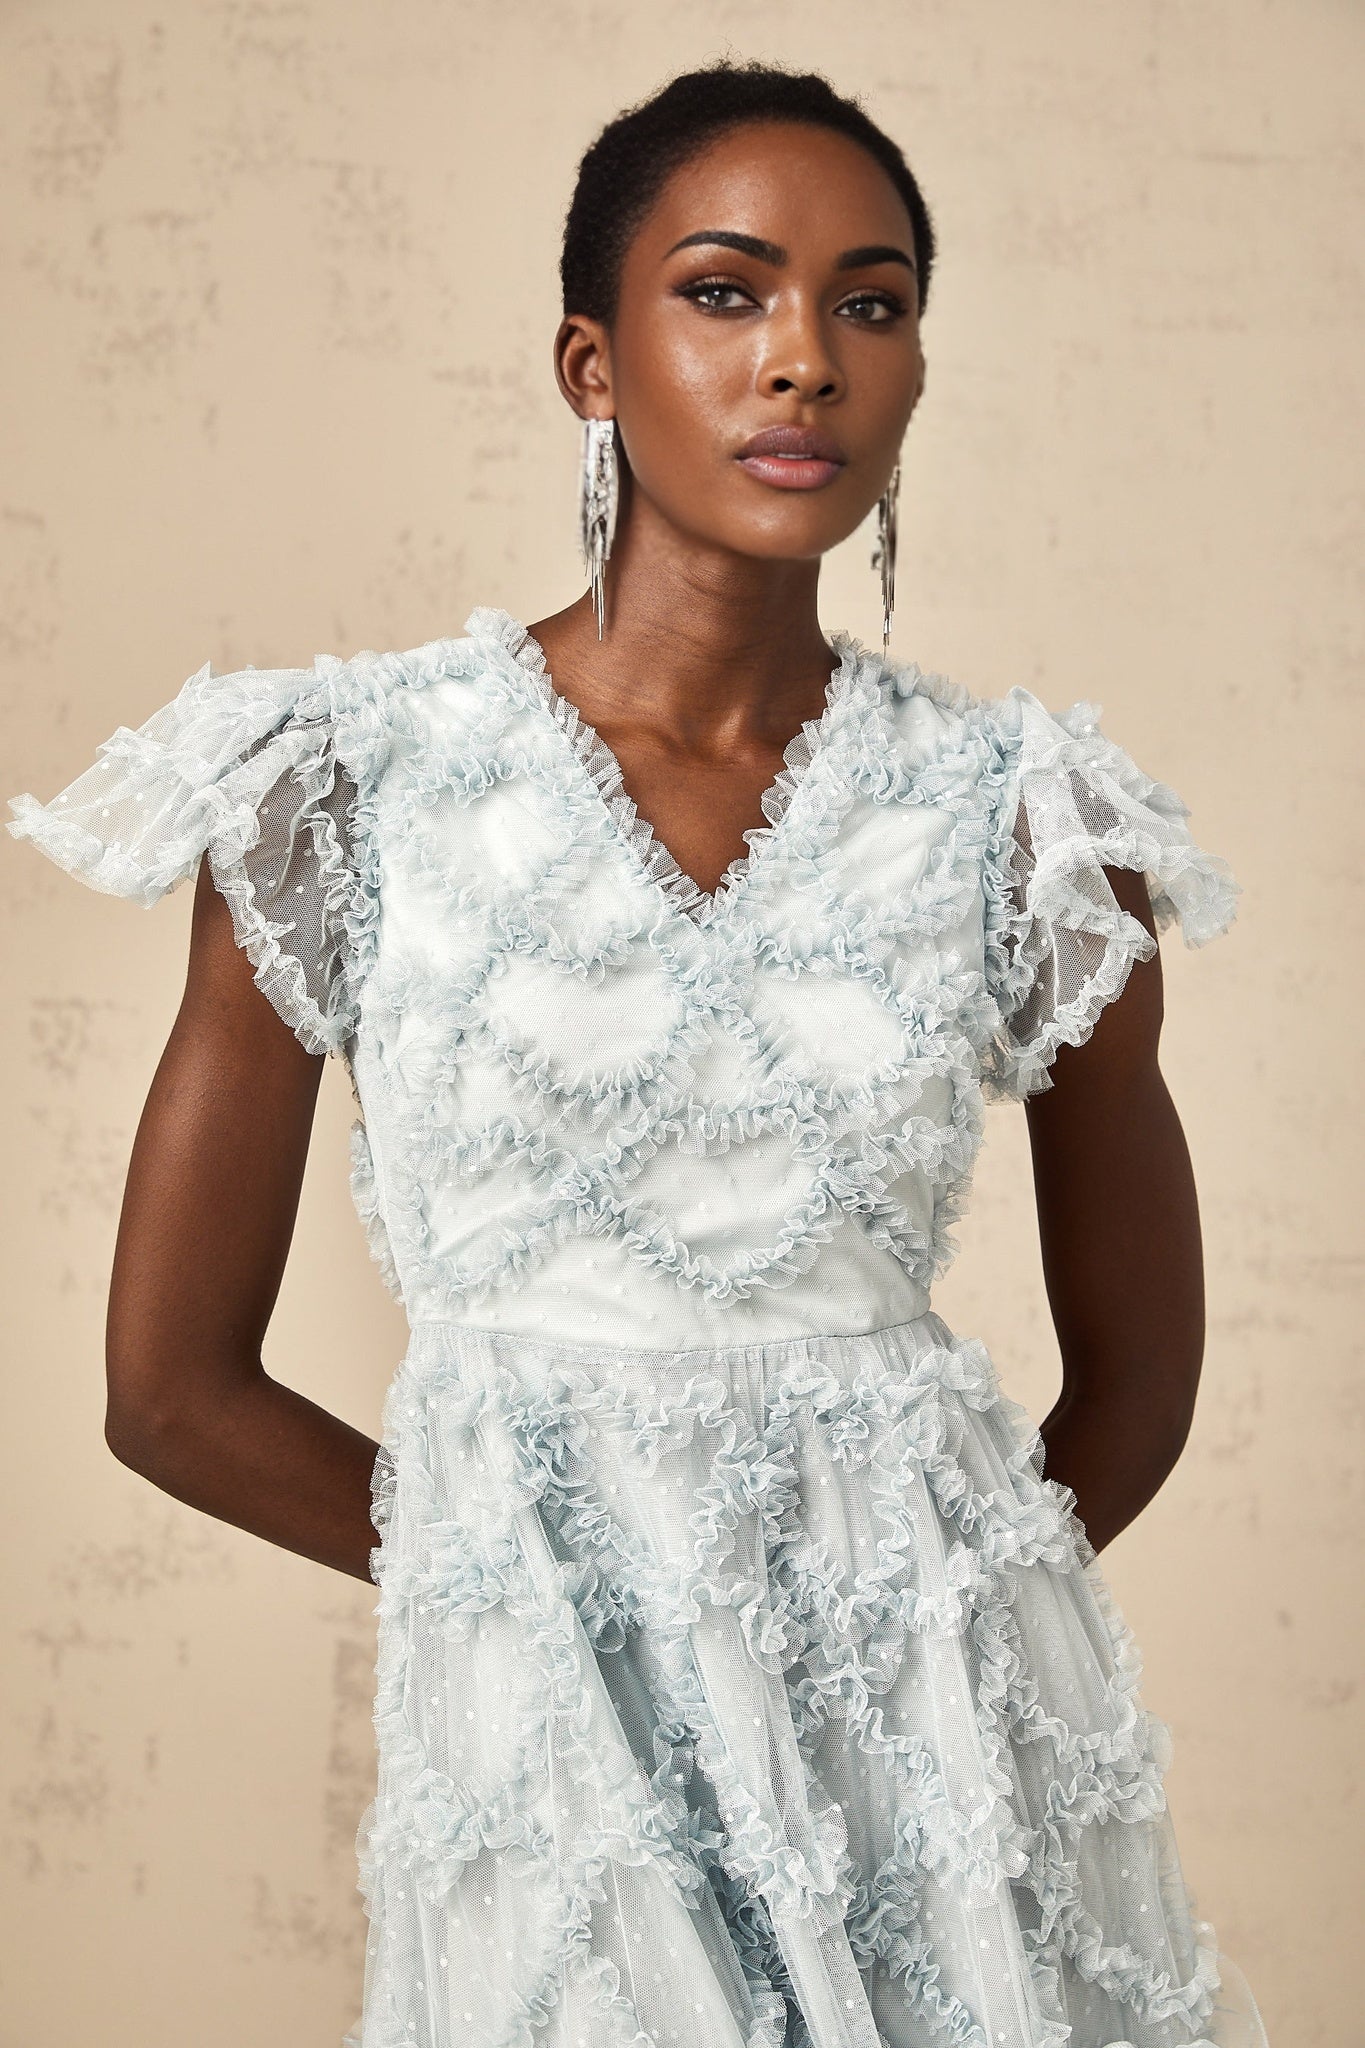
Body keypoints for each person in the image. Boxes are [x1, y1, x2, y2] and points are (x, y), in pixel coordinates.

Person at [7, 56, 1269, 2048]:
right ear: (590, 367)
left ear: (915, 370)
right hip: (537, 1748)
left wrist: (905, 1645)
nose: (802, 363)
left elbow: (1135, 1379)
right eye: (726, 291)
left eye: (867, 302)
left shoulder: (1024, 815)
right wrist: (530, 1598)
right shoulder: (340, 787)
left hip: (923, 1777)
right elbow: (164, 1389)